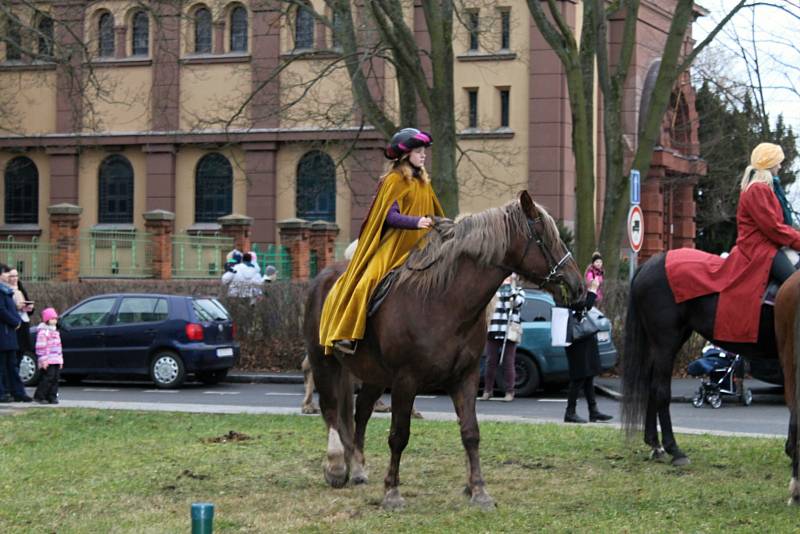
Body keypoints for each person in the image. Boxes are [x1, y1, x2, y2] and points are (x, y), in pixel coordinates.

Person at [319, 128, 444, 355]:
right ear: (406, 155)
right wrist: (416, 222)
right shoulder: (393, 181)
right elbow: (389, 215)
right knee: (367, 281)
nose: (423, 154)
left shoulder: (424, 183)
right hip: (395, 245)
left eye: (424, 150)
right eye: (418, 151)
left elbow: (437, 213)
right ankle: (347, 334)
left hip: (424, 244)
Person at [667, 142, 800, 343]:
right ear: (770, 163)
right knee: (795, 285)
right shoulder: (758, 190)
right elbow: (773, 228)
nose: (780, 167)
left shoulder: (765, 188)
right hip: (760, 251)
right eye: (778, 162)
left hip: (767, 246)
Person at [564, 277, 612, 423]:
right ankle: (570, 412)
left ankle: (593, 411)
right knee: (578, 376)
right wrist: (592, 290)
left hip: (584, 337)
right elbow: (585, 306)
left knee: (588, 376)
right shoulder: (565, 293)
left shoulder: (573, 292)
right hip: (576, 338)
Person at [479, 274, 525, 402]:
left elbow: (518, 303)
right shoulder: (494, 290)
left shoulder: (518, 291)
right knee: (490, 361)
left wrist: (511, 289)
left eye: (509, 277)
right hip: (493, 329)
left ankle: (510, 391)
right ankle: (488, 390)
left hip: (509, 331)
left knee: (508, 362)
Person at [0, 263, 29, 403]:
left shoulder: (6, 291)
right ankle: (3, 393)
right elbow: (2, 311)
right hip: (3, 333)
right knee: (3, 366)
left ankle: (18, 392)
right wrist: (15, 321)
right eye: (6, 273)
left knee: (12, 365)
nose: (9, 276)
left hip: (9, 334)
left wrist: (17, 319)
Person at [33, 307, 62, 405]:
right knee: (47, 378)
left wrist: (60, 360)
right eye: (52, 318)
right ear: (47, 320)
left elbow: (59, 347)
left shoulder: (56, 332)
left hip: (56, 359)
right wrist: (43, 360)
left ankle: (52, 396)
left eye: (56, 319)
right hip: (48, 360)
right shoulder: (43, 333)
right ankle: (40, 396)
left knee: (55, 378)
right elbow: (40, 348)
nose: (55, 320)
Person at [8, 269, 34, 365]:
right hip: (14, 323)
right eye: (12, 276)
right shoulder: (5, 290)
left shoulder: (20, 287)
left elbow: (27, 301)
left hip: (24, 321)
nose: (15, 278)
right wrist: (16, 308)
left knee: (22, 350)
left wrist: (30, 308)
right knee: (14, 353)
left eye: (16, 276)